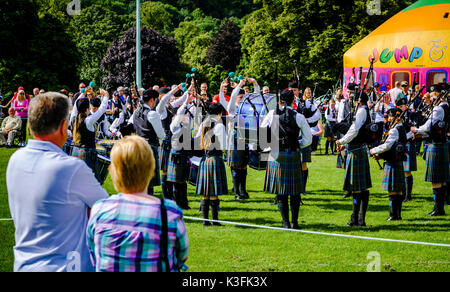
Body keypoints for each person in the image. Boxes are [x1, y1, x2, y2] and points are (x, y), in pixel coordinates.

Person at [7, 92, 108, 272]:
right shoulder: (71, 168)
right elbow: (107, 212)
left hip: (23, 265)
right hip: (64, 267)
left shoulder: (15, 160)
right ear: (63, 128)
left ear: (30, 127)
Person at [87, 135, 189, 272]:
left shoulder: (99, 210)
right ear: (150, 169)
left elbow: (93, 253)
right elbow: (182, 255)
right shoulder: (169, 213)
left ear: (113, 172)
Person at [261, 89, 312, 229]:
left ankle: (285, 223)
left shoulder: (272, 114)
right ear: (293, 101)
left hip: (276, 155)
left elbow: (262, 130)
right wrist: (297, 144)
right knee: (295, 192)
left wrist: (270, 144)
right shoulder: (299, 116)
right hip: (293, 154)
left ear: (279, 101)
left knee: (281, 192)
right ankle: (295, 223)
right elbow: (308, 139)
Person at [411, 85, 449, 216]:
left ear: (438, 95)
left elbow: (427, 127)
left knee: (436, 179)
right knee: (442, 179)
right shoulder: (447, 106)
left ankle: (438, 209)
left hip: (436, 145)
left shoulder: (438, 108)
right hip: (442, 143)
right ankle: (440, 207)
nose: (431, 97)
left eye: (433, 95)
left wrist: (415, 130)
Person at [336, 91, 373, 227]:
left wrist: (342, 141)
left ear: (359, 101)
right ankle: (359, 219)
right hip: (357, 149)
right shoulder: (363, 110)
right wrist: (345, 144)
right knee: (360, 188)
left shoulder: (362, 111)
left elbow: (354, 130)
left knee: (357, 188)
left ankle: (356, 219)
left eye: (354, 99)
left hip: (357, 151)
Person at [370, 108, 407, 221]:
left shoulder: (394, 130)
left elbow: (387, 146)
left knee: (392, 189)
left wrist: (373, 151)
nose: (388, 119)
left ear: (395, 117)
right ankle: (398, 215)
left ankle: (393, 215)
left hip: (392, 162)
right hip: (398, 161)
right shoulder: (401, 128)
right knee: (398, 189)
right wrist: (381, 156)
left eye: (389, 117)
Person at [195, 103, 228, 226]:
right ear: (219, 113)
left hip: (205, 159)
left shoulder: (204, 123)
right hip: (215, 158)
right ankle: (215, 221)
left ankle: (205, 221)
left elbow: (197, 138)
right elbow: (224, 145)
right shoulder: (219, 125)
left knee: (205, 192)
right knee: (213, 191)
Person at [70, 89, 109, 178]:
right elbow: (102, 109)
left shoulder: (73, 118)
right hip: (87, 155)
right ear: (87, 109)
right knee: (93, 180)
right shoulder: (88, 121)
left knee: (78, 179)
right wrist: (106, 96)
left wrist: (82, 94)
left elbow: (76, 104)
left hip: (75, 152)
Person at [133, 89, 165, 195]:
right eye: (155, 100)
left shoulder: (136, 112)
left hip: (138, 147)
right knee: (149, 182)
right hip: (149, 148)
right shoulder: (152, 114)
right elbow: (161, 135)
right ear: (152, 100)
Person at [396, 98, 417, 202]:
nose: (405, 107)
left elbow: (414, 128)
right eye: (402, 106)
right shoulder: (397, 117)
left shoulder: (411, 115)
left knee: (407, 171)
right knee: (401, 170)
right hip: (400, 144)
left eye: (405, 105)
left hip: (408, 143)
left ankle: (408, 195)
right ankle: (403, 193)